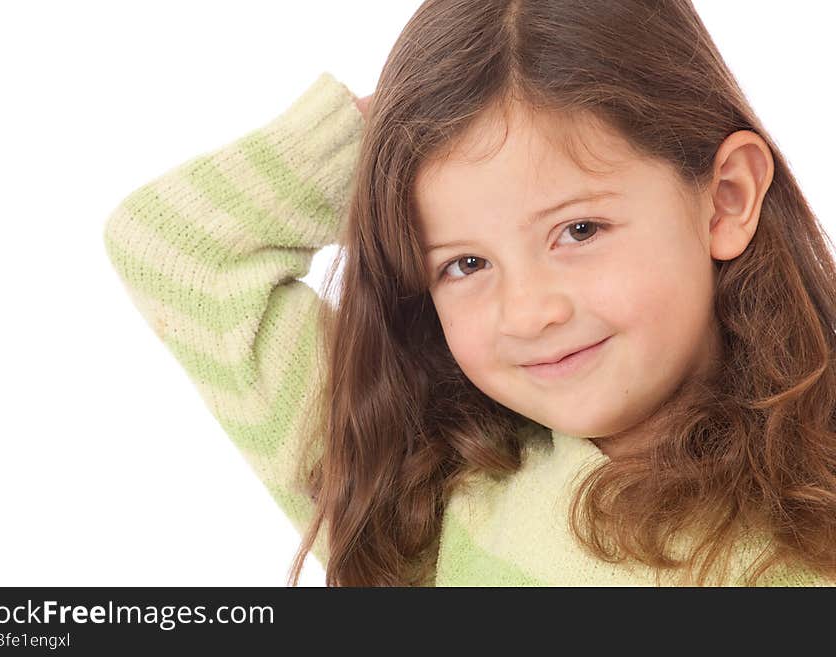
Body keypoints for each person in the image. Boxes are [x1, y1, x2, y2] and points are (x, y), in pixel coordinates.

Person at [103, 0, 836, 586]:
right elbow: (178, 254)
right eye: (463, 264)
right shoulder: (424, 485)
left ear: (726, 198)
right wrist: (387, 142)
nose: (527, 311)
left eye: (579, 229)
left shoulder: (801, 552)